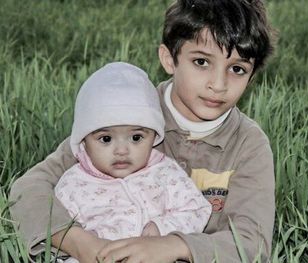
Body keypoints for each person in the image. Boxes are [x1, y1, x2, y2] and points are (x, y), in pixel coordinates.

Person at [9, 0, 277, 262]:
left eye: (237, 69)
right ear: (169, 59)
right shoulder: (130, 111)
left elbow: (252, 241)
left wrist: (174, 247)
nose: (218, 85)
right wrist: (81, 243)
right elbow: (29, 188)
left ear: (252, 76)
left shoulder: (248, 144)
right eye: (202, 62)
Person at [52, 62, 212, 263]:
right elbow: (56, 228)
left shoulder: (165, 173)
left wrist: (162, 227)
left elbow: (197, 209)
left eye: (136, 138)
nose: (121, 151)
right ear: (84, 141)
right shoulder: (74, 184)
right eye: (106, 139)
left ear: (154, 137)